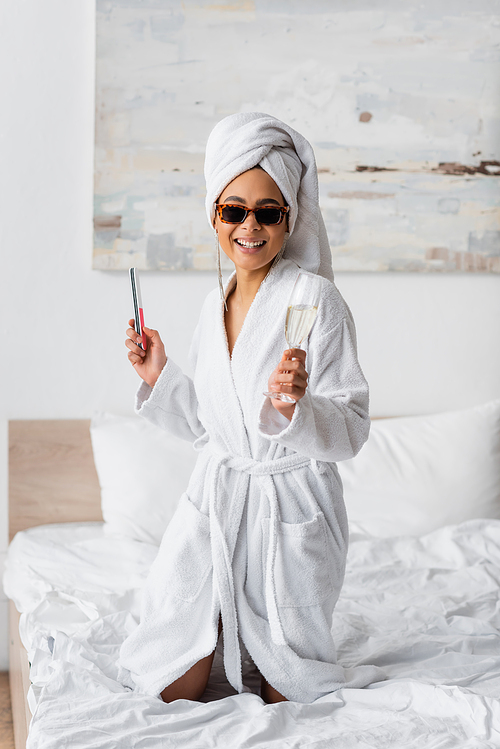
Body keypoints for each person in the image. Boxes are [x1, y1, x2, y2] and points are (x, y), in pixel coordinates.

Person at [118, 112, 382, 705]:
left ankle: (273, 648)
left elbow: (353, 428)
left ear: (290, 219)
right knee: (169, 681)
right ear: (215, 214)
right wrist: (159, 376)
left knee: (291, 692)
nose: (250, 226)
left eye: (269, 212)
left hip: (290, 510)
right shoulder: (214, 305)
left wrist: (297, 409)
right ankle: (212, 626)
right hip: (216, 503)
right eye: (234, 210)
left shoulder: (315, 300)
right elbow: (214, 428)